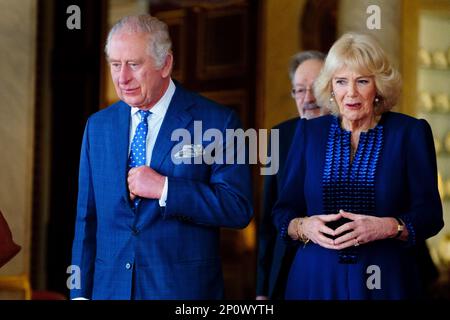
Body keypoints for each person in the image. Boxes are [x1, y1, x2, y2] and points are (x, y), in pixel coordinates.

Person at [70, 14, 253, 300]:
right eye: (115, 65)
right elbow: (86, 218)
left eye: (134, 64)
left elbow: (237, 207)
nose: (122, 77)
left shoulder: (218, 121)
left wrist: (166, 189)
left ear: (165, 64)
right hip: (109, 290)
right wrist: (79, 293)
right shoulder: (98, 126)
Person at [272, 32, 444, 299]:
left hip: (386, 280)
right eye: (341, 82)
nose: (350, 93)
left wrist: (389, 227)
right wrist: (305, 227)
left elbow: (430, 215)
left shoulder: (410, 132)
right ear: (331, 88)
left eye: (362, 81)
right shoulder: (308, 133)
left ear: (379, 87)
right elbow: (283, 211)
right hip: (314, 280)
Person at [256, 50, 327, 300]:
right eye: (299, 89)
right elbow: (267, 220)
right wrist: (262, 290)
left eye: (316, 87)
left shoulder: (353, 135)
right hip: (286, 267)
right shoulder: (279, 136)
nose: (308, 98)